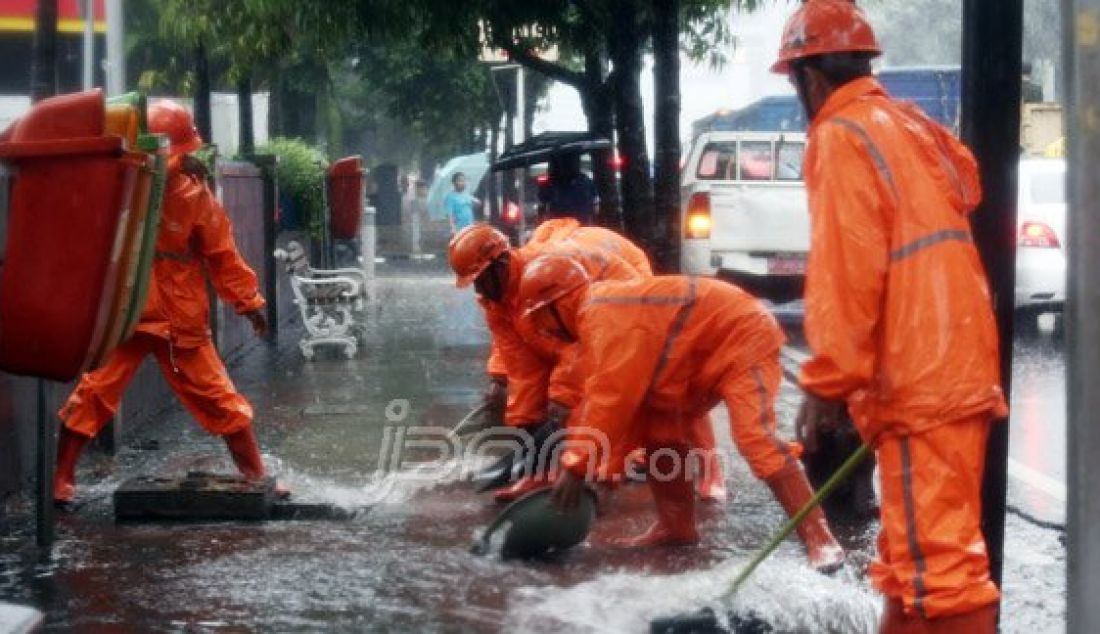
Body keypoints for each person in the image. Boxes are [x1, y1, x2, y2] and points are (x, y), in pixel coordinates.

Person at [771, 1, 1008, 630]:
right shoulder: (906, 124)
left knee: (942, 567)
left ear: (807, 76)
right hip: (951, 359)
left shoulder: (841, 133)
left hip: (919, 375)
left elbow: (848, 269)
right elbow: (966, 190)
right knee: (911, 562)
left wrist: (826, 384)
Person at [523, 256, 842, 567]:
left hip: (743, 334)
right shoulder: (598, 316)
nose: (546, 332)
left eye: (542, 320)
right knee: (659, 435)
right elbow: (621, 406)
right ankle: (675, 529)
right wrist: (606, 469)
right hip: (694, 361)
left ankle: (821, 539)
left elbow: (612, 397)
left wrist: (577, 466)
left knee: (755, 438)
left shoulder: (601, 314)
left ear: (557, 303)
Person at [53, 100, 284, 506]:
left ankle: (255, 475)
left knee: (218, 396)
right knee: (94, 392)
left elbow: (221, 253)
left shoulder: (194, 195)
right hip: (129, 312)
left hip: (178, 317)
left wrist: (247, 302)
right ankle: (61, 480)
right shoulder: (121, 183)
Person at [448, 220, 726, 503]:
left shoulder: (549, 273)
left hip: (622, 281)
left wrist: (563, 400)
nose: (479, 289)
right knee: (559, 392)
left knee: (660, 382)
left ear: (502, 262)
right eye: (474, 282)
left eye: (481, 279)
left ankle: (708, 470)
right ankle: (543, 472)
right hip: (582, 297)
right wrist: (522, 417)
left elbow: (580, 349)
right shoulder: (495, 300)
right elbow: (522, 364)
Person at [537, 153, 597, 225]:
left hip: (560, 225)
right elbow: (594, 205)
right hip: (581, 224)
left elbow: (542, 204)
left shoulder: (550, 183)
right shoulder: (585, 180)